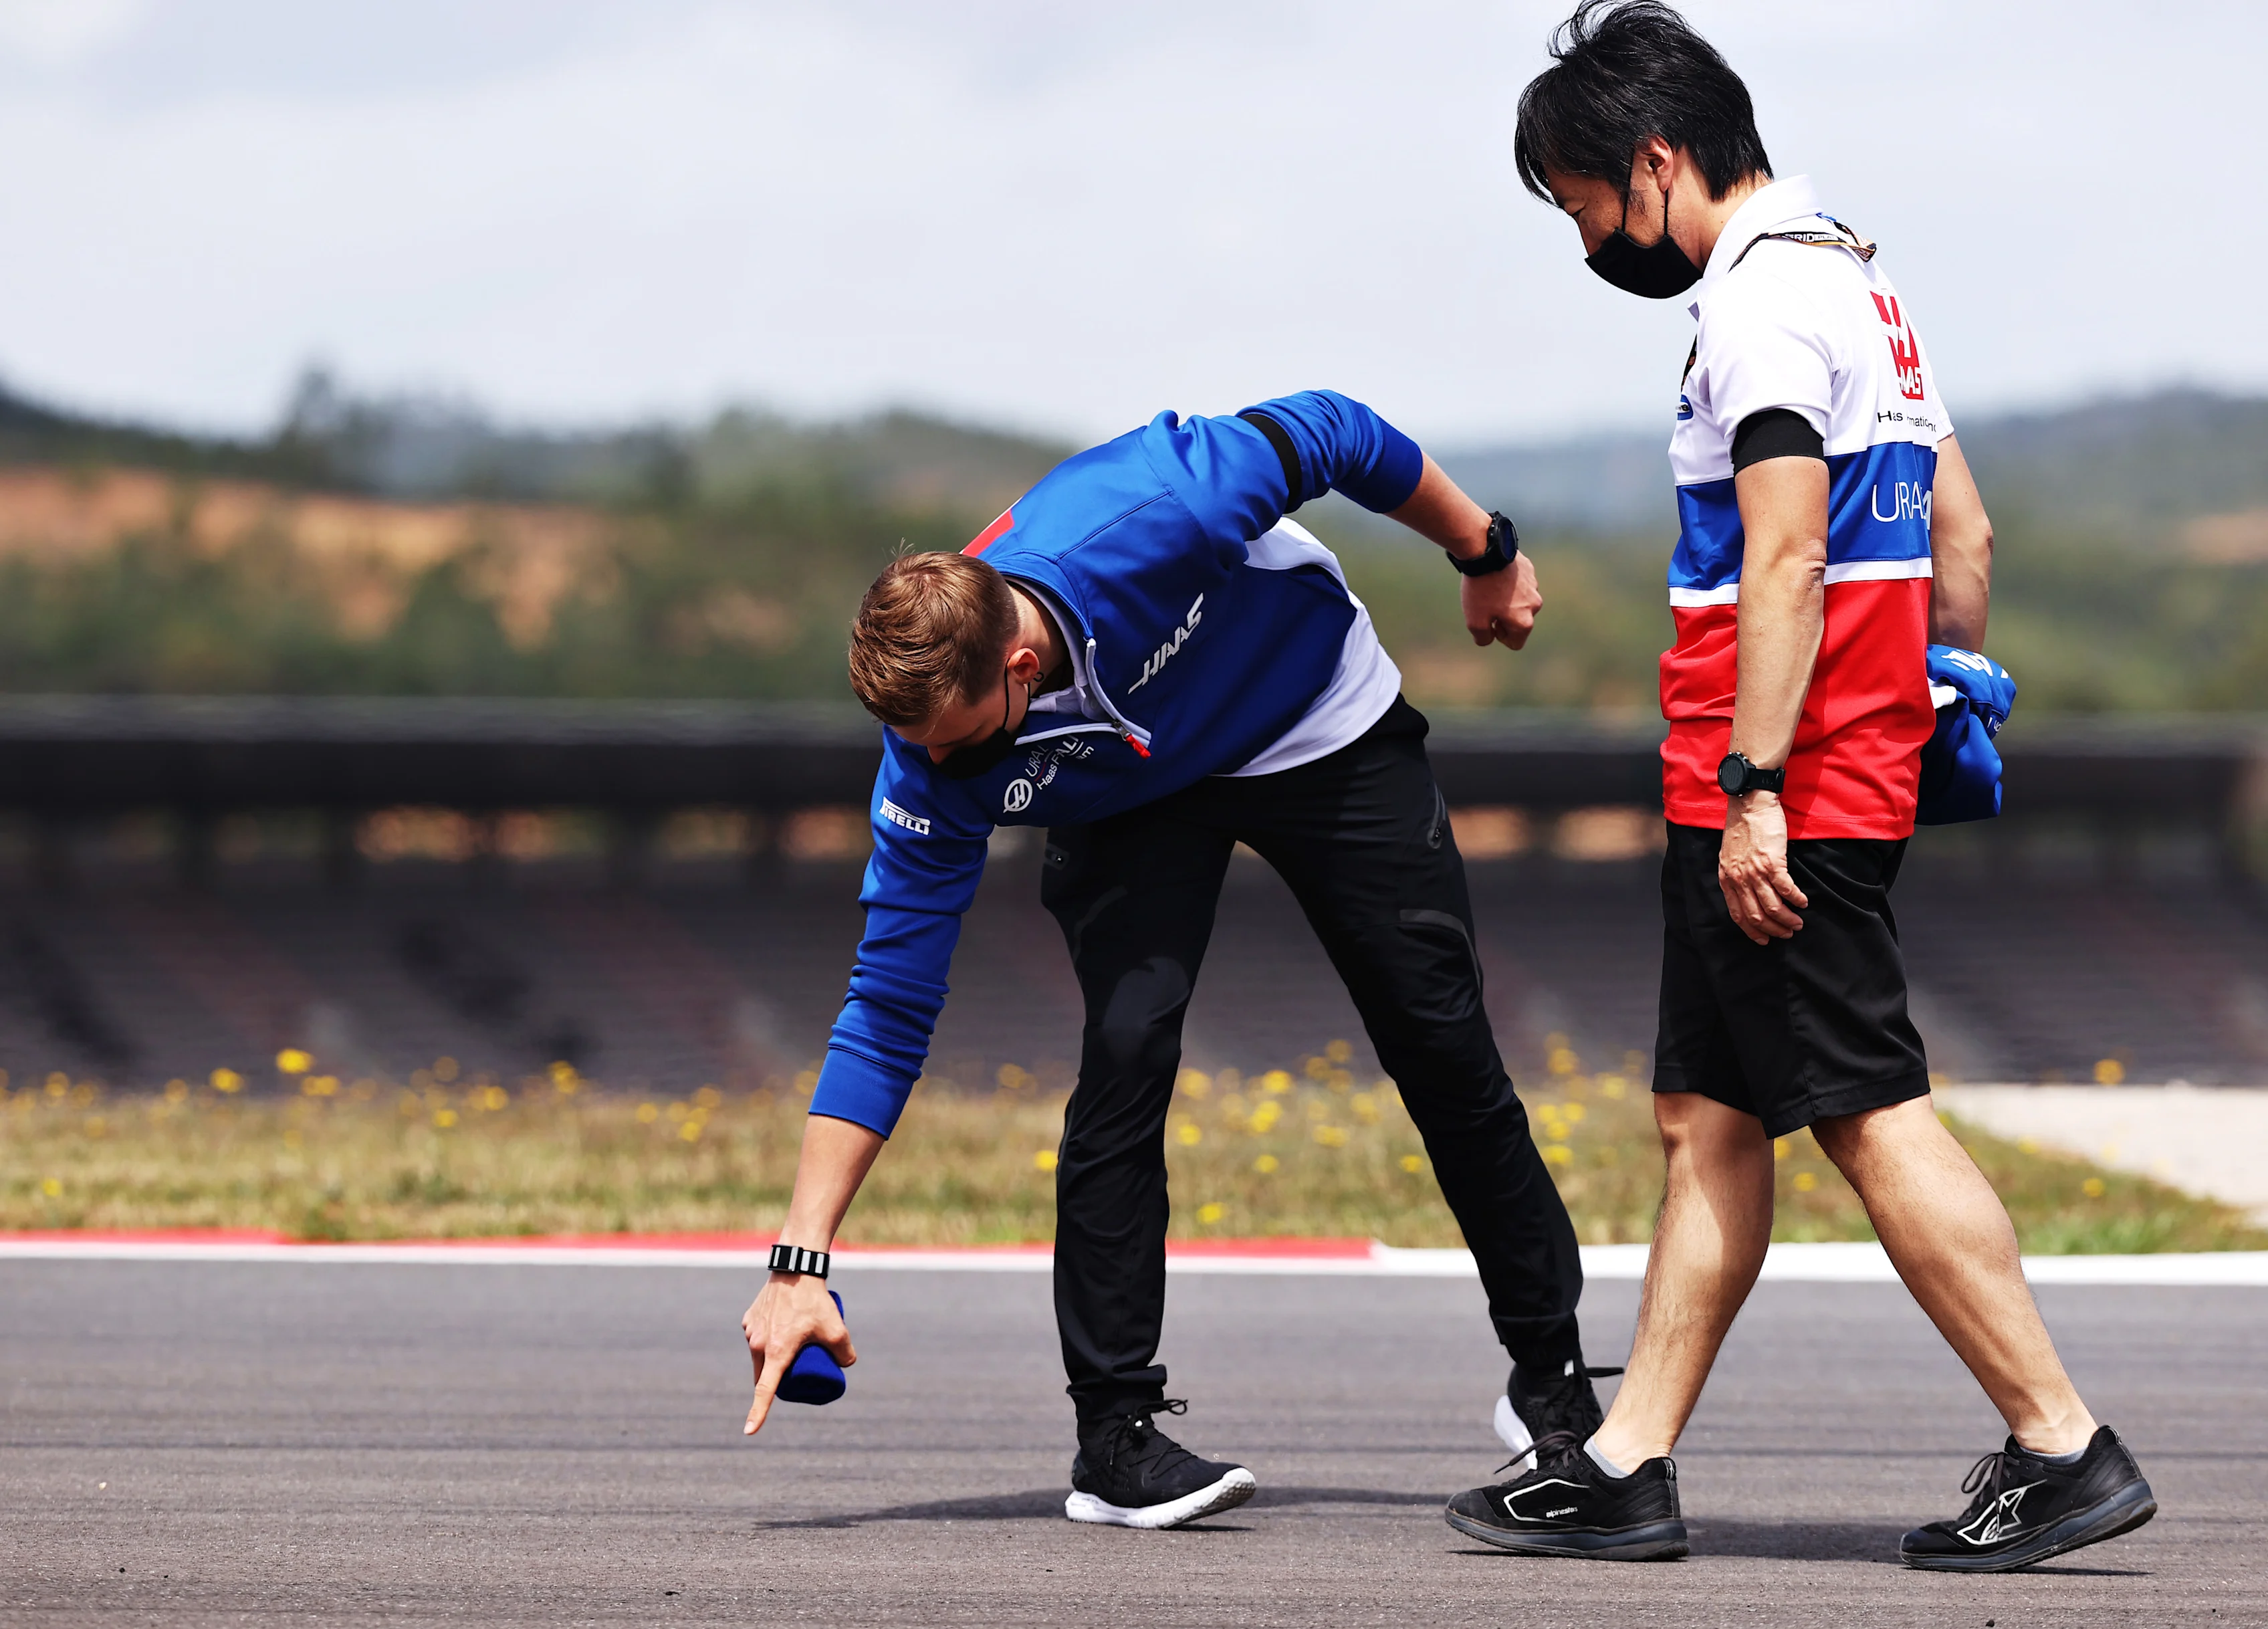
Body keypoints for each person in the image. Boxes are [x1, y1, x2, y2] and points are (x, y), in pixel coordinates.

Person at [1446, 1, 2156, 1571]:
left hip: (1770, 789)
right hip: (1839, 768)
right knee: (1706, 1116)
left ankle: (2060, 1443)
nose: (1588, 249)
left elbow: (1784, 551)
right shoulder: (1862, 284)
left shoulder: (1759, 308)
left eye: (1582, 211)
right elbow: (1961, 543)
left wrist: (1765, 780)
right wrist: (1920, 710)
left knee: (1867, 1115)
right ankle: (1627, 1462)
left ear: (1654, 161)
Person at [738, 389, 1614, 1530]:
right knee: (1125, 1055)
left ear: (1017, 659)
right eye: (914, 751)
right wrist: (800, 1261)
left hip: (1309, 716)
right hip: (1138, 792)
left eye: (956, 746)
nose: (935, 773)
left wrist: (1482, 548)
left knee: (1441, 1043)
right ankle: (1115, 1440)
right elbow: (888, 1005)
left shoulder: (1158, 507)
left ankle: (1550, 1382)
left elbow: (1339, 430)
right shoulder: (926, 761)